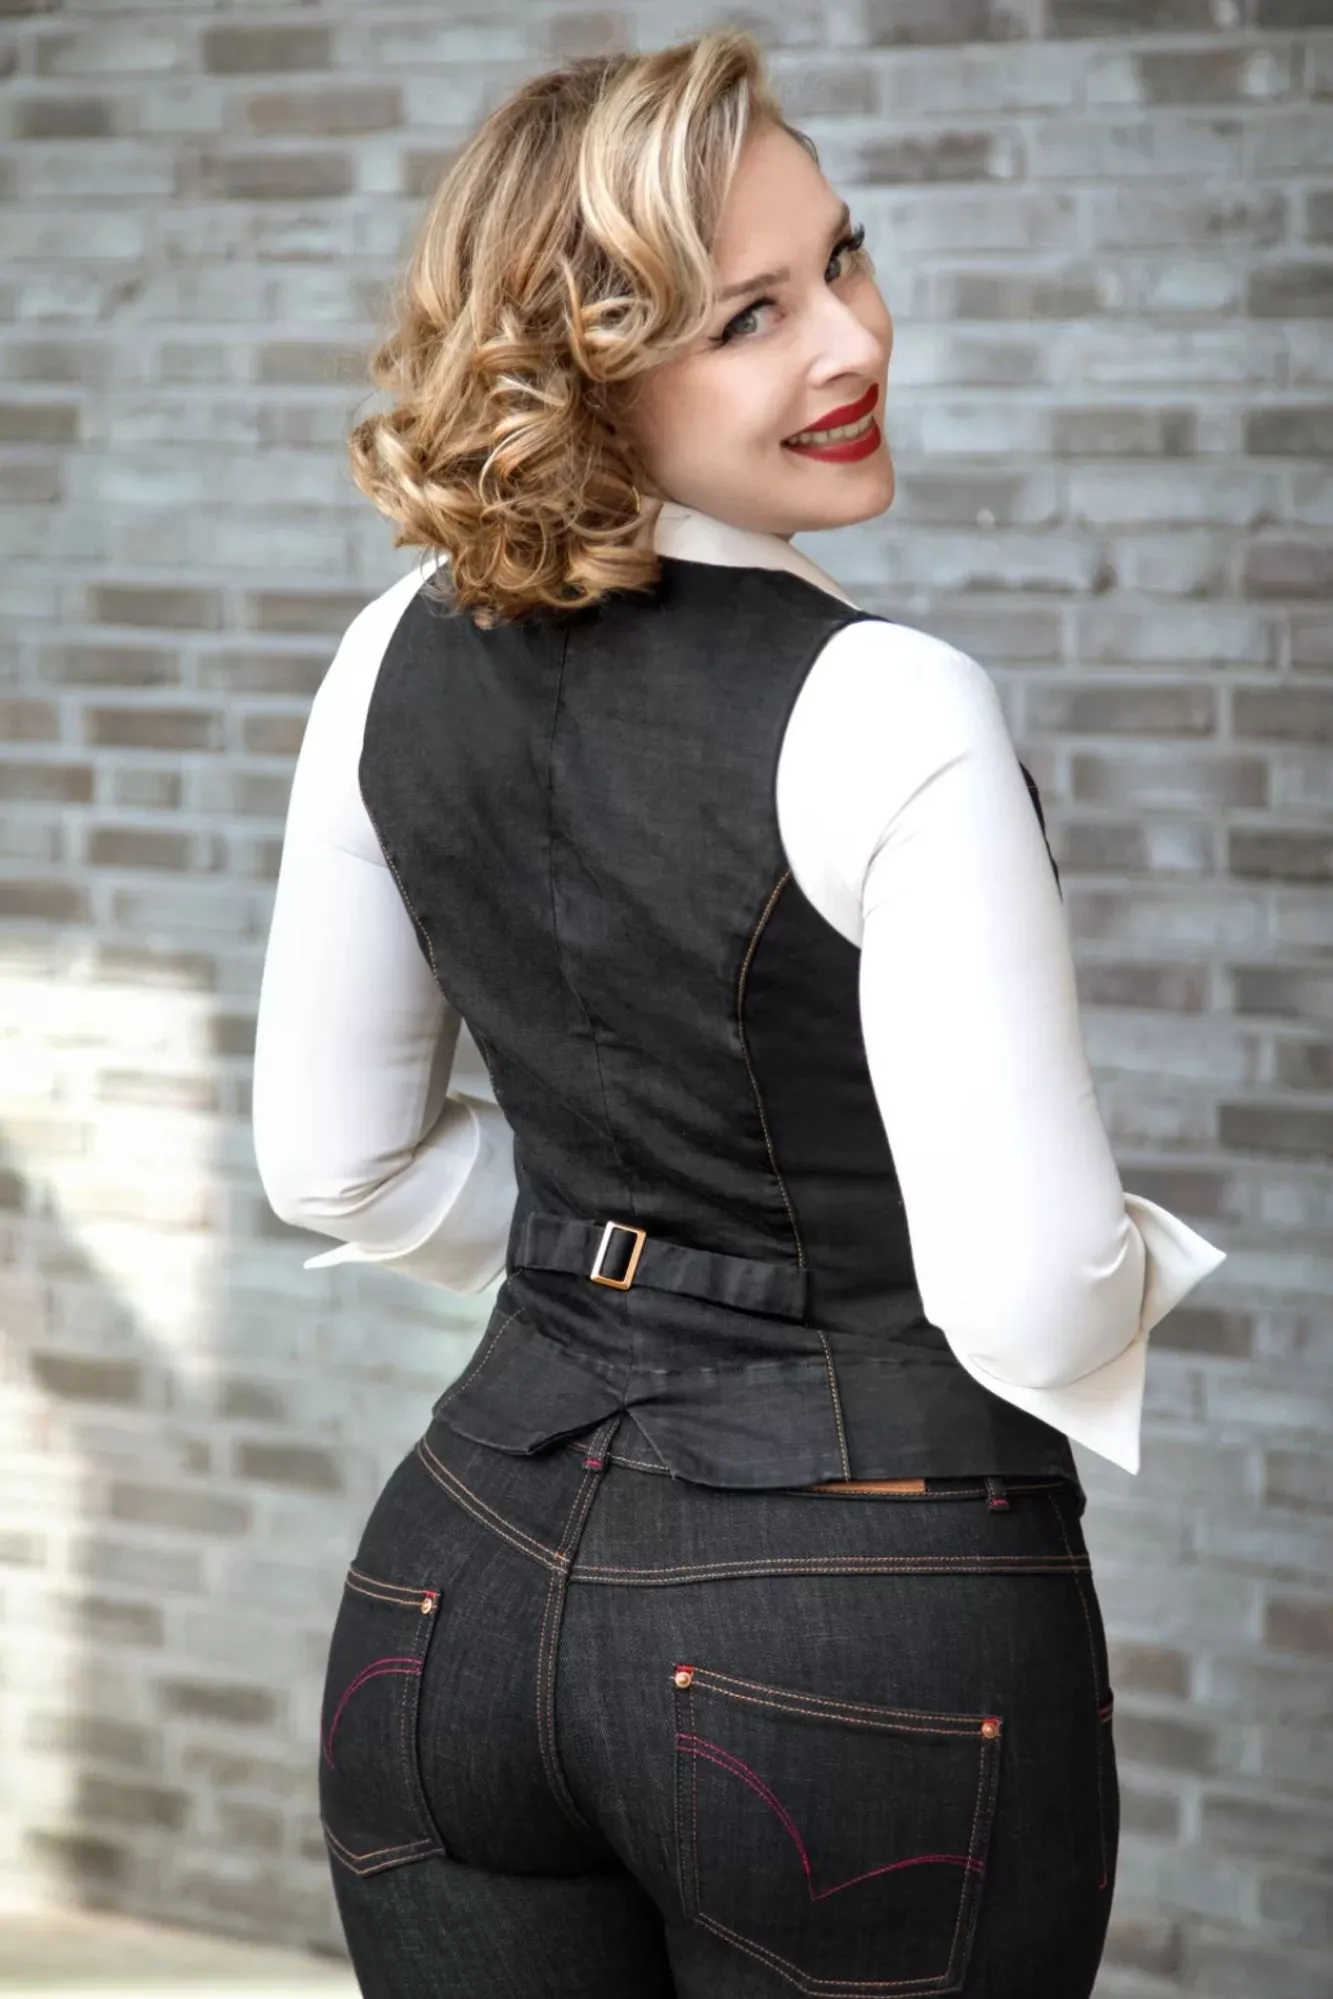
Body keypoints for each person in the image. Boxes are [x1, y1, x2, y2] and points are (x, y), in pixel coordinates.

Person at [251, 30, 1226, 1998]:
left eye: (841, 258)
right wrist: (1128, 1265)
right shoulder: (894, 703)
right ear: (588, 368)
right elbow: (1035, 1300)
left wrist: (608, 1255)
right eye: (749, 318)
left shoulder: (383, 656)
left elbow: (333, 1166)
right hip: (853, 1640)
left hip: (451, 1592)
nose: (852, 341)